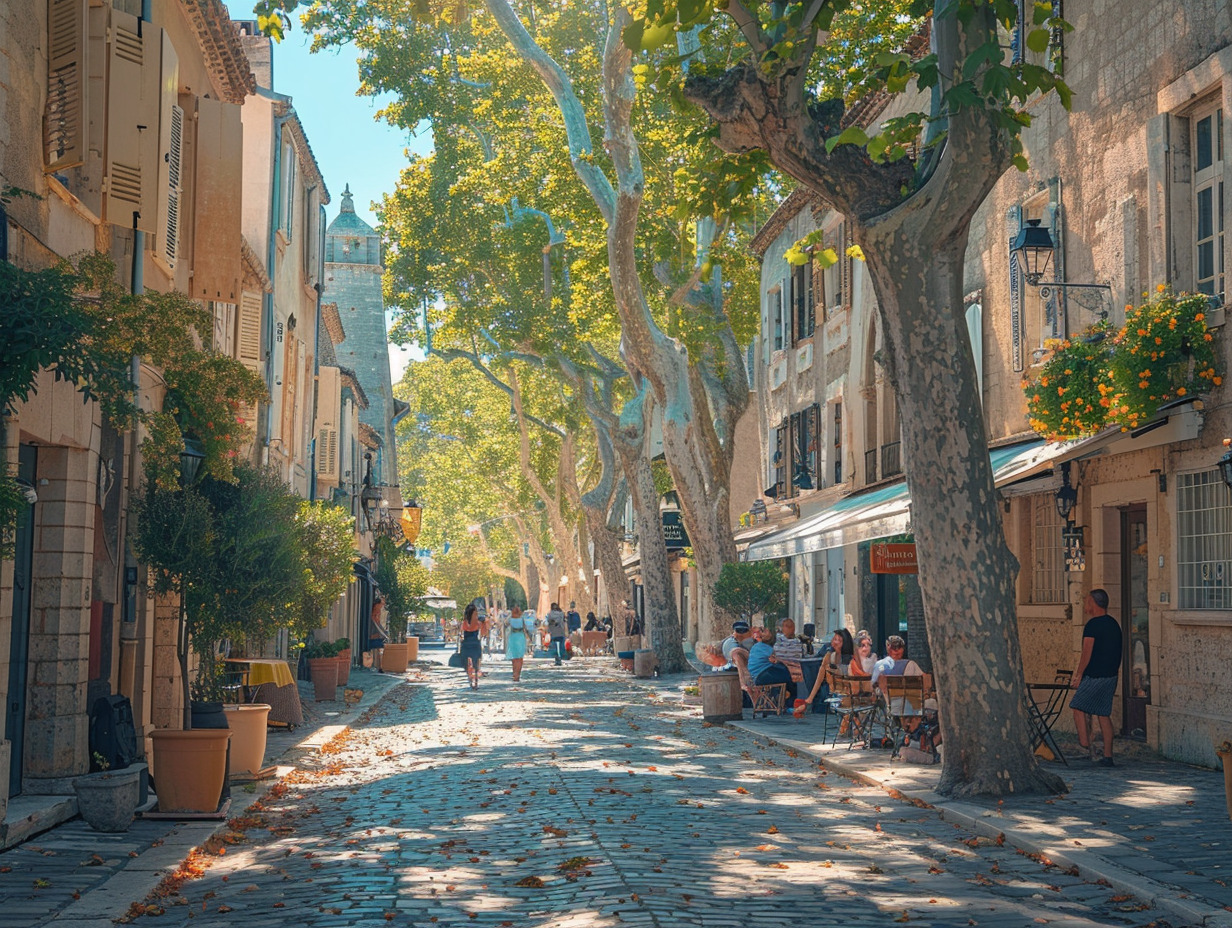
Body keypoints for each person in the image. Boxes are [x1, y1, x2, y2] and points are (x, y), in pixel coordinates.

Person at [1070, 588, 1123, 766]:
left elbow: (1087, 653)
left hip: (1095, 676)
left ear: (1093, 603)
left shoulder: (1092, 625)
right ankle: (1108, 755)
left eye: (1087, 601)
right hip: (1111, 676)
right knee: (1103, 713)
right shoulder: (1114, 624)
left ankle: (1085, 746)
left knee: (1077, 706)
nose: (1085, 605)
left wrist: (1078, 675)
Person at [799, 628, 853, 713]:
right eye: (835, 639)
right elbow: (819, 678)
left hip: (851, 691)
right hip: (836, 691)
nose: (835, 642)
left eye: (839, 640)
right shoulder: (829, 655)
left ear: (845, 643)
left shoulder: (852, 657)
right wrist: (810, 698)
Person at [746, 626, 794, 692]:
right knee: (787, 675)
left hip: (758, 676)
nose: (763, 634)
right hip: (761, 675)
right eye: (764, 632)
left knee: (783, 671)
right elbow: (779, 658)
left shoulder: (757, 646)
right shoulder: (764, 647)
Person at [459, 603, 488, 690]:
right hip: (475, 644)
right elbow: (483, 634)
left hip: (466, 644)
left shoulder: (464, 623)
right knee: (476, 665)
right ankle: (475, 682)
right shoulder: (478, 623)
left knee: (467, 664)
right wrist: (484, 624)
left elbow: (460, 634)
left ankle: (470, 680)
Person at [505, 606, 533, 682]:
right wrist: (530, 638)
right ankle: (518, 675)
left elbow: (505, 624)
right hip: (520, 637)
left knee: (514, 658)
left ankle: (514, 674)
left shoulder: (510, 619)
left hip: (513, 637)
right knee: (520, 658)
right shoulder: (522, 619)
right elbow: (526, 629)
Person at [546, 601, 568, 666]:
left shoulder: (550, 614)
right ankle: (561, 657)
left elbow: (549, 622)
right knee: (561, 646)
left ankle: (556, 658)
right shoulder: (561, 614)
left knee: (554, 646)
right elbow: (562, 622)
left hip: (553, 632)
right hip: (560, 632)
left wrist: (549, 631)